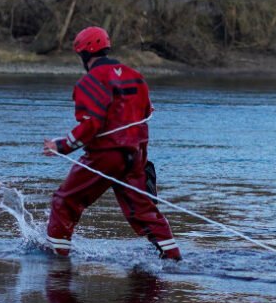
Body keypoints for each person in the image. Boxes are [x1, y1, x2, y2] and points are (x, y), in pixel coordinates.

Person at [42, 26, 182, 261]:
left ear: (84, 54)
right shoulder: (136, 76)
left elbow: (90, 125)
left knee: (64, 201)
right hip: (136, 154)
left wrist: (61, 146)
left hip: (106, 155)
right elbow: (145, 114)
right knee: (144, 212)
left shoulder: (89, 82)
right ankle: (173, 257)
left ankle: (57, 260)